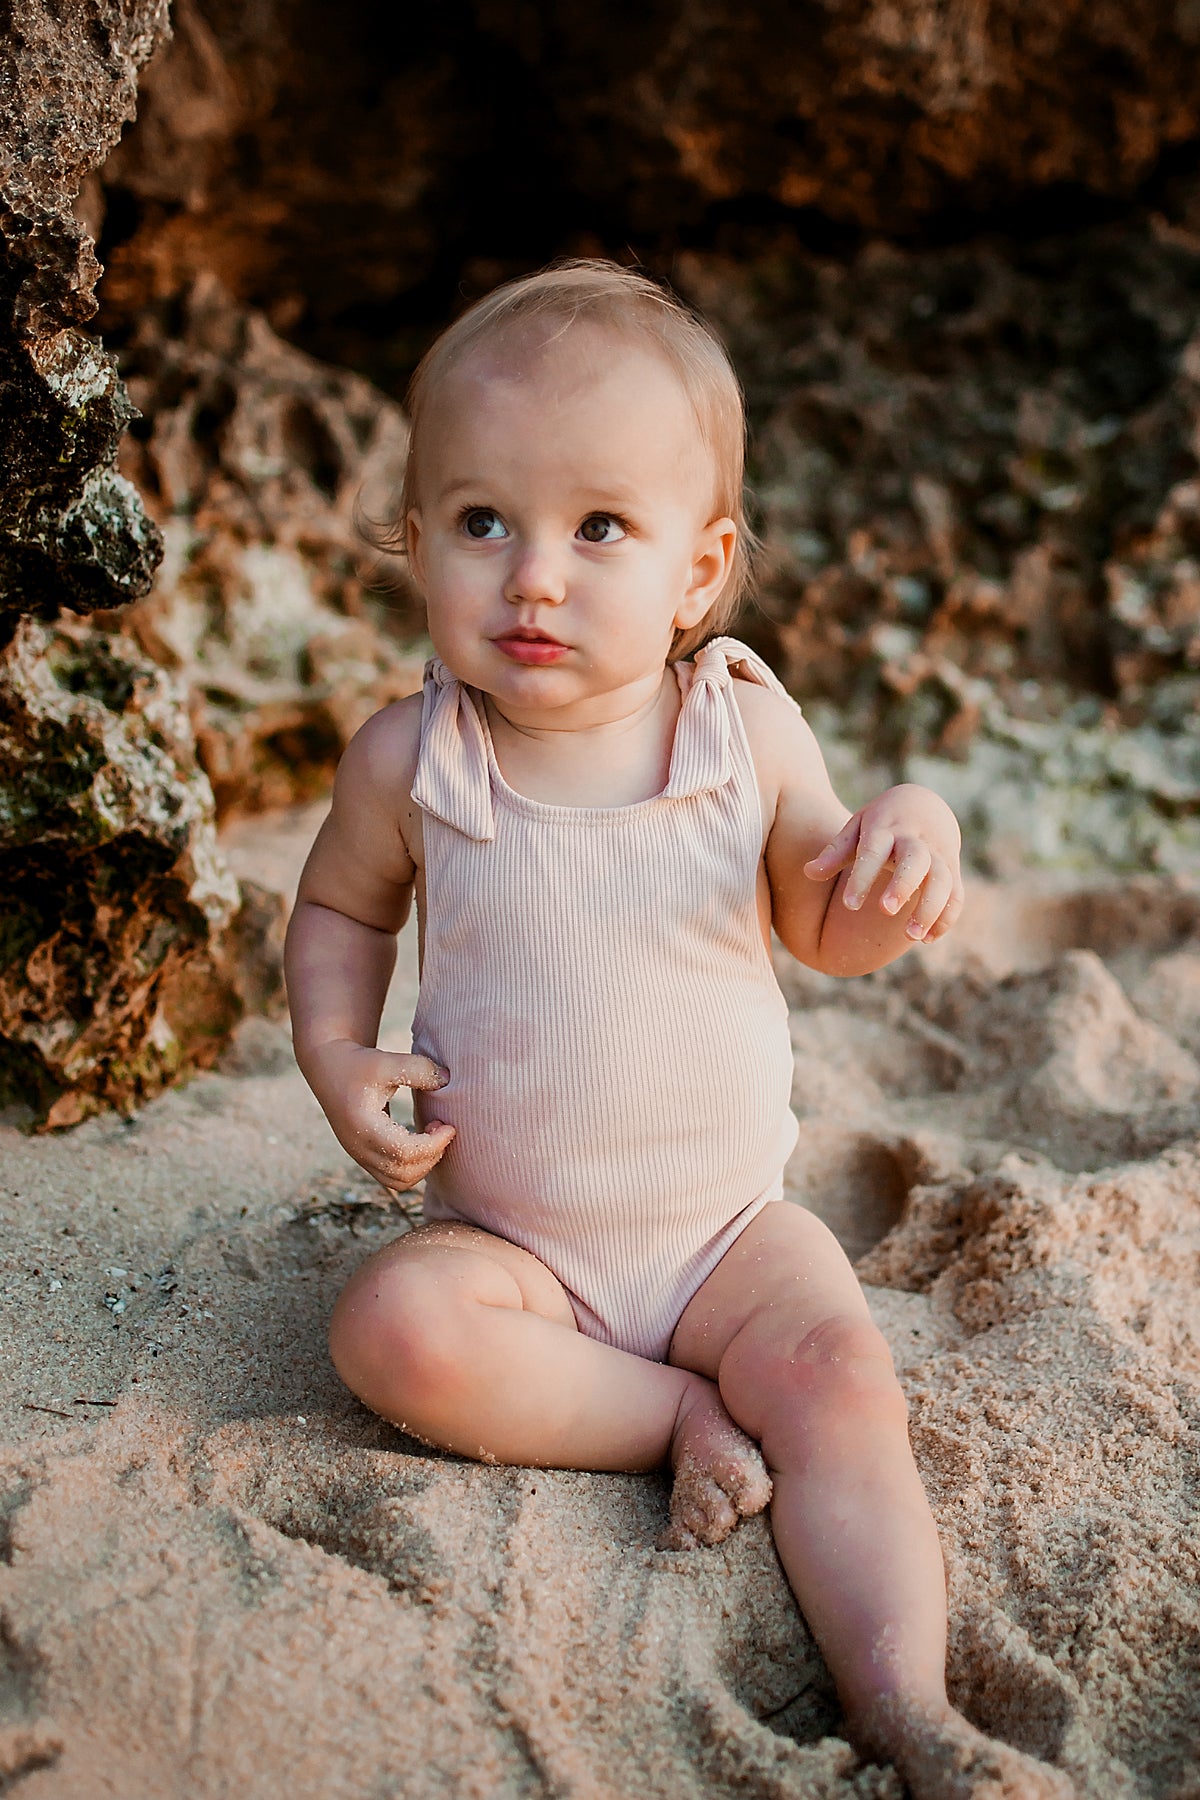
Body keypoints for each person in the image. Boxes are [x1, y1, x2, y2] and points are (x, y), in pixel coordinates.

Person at [285, 261, 1072, 1799]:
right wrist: (337, 1054)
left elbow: (829, 926)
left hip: (724, 1233)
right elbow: (339, 919)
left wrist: (906, 840)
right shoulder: (412, 760)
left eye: (599, 529)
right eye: (480, 521)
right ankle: (668, 1417)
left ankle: (905, 1703)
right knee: (391, 1329)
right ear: (416, 538)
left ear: (701, 570)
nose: (533, 579)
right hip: (517, 1246)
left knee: (844, 1379)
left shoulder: (739, 728)